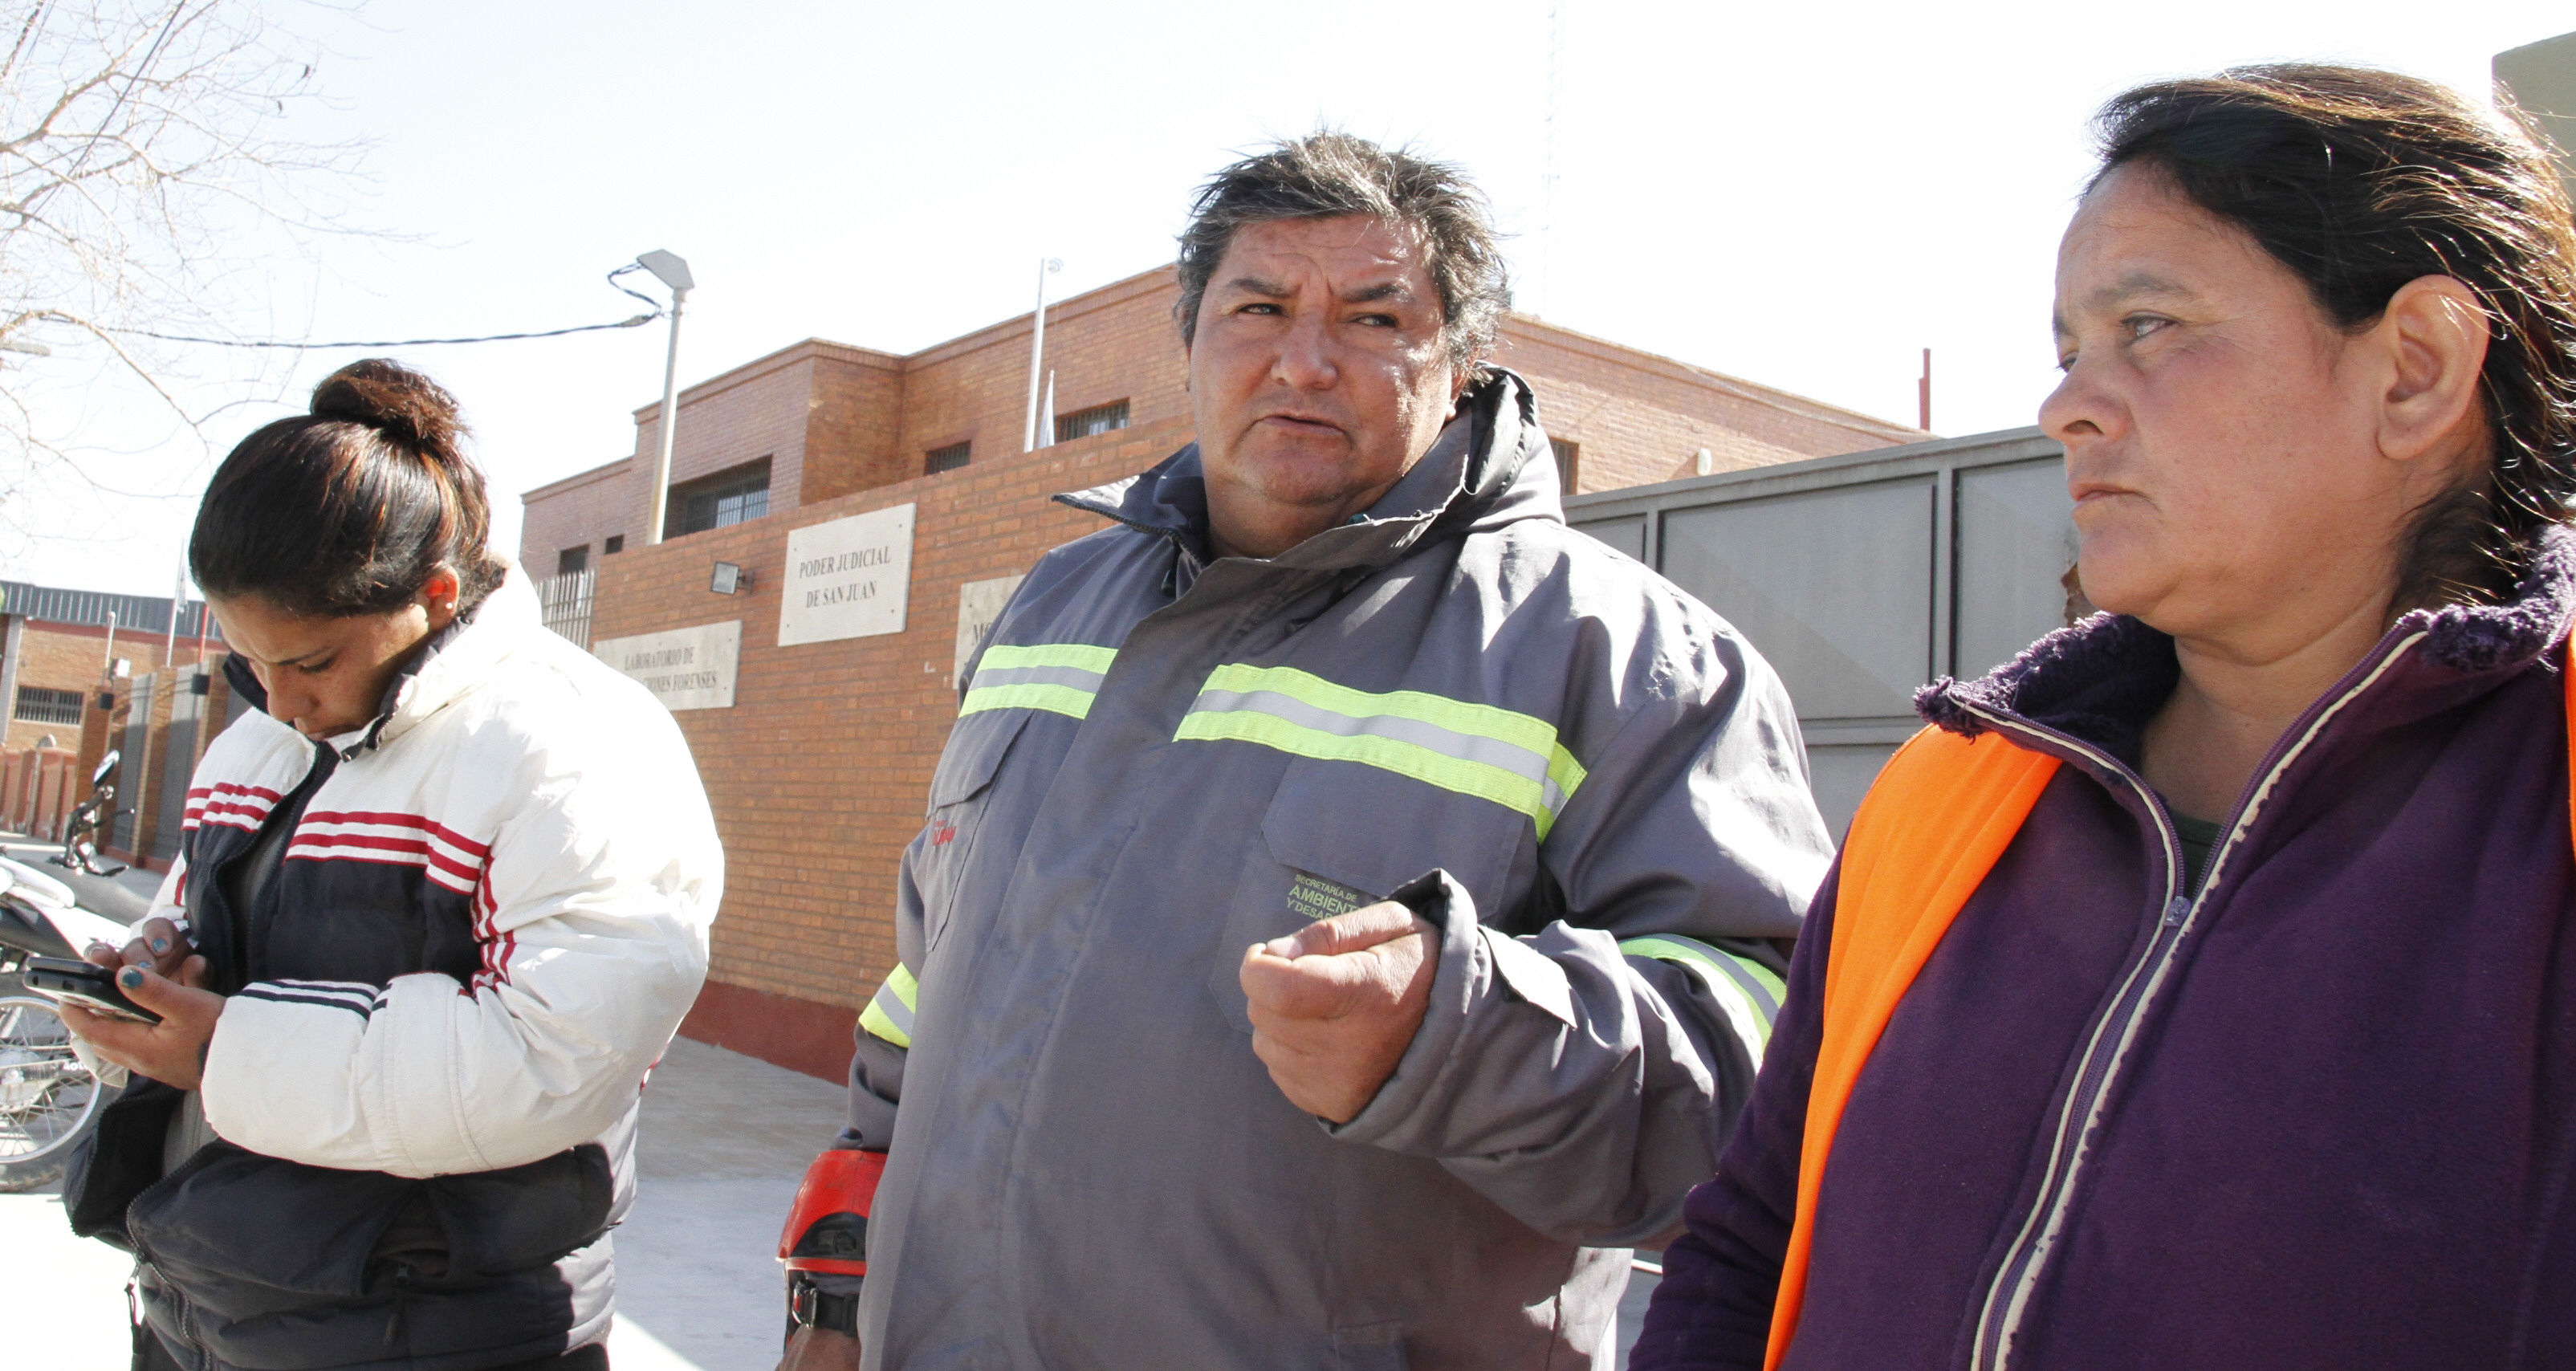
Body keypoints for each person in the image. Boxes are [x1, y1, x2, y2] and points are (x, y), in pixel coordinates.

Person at [770, 133, 1834, 1371]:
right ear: (1190, 340)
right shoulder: (1053, 605)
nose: (1305, 360)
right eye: (1259, 308)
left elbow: (1766, 1070)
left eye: (1375, 318)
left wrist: (1463, 1033)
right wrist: (837, 1292)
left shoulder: (1627, 660)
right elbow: (929, 975)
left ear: (1461, 366)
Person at [1634, 65, 2576, 1370]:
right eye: (2068, 349)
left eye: (2149, 325)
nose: (2063, 405)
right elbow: (1750, 1240)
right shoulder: (1949, 794)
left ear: (2414, 369)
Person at [59, 360, 724, 1371]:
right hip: (202, 1305)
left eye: (309, 662)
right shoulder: (257, 746)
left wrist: (223, 1050)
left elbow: (554, 1061)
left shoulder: (573, 744)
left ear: (436, 595)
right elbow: (202, 933)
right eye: (248, 661)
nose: (279, 701)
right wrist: (154, 978)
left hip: (437, 1331)